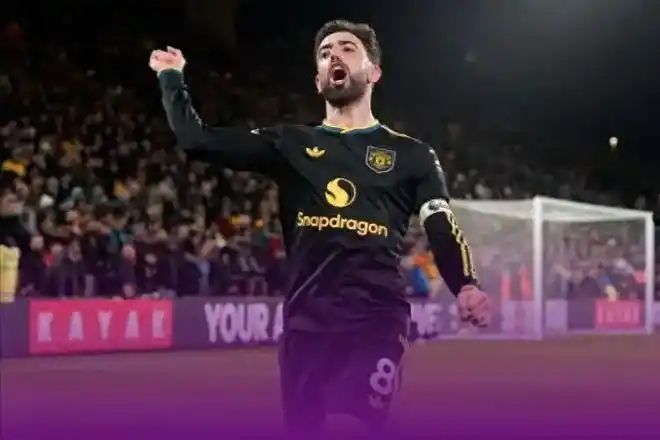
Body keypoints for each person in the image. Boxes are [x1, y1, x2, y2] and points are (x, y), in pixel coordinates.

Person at [149, 19, 490, 435]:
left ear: (374, 72)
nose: (334, 56)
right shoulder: (290, 144)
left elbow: (441, 224)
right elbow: (197, 141)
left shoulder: (411, 156)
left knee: (352, 423)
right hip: (305, 325)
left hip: (375, 319)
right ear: (318, 80)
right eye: (325, 53)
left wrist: (465, 283)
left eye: (347, 48)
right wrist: (171, 77)